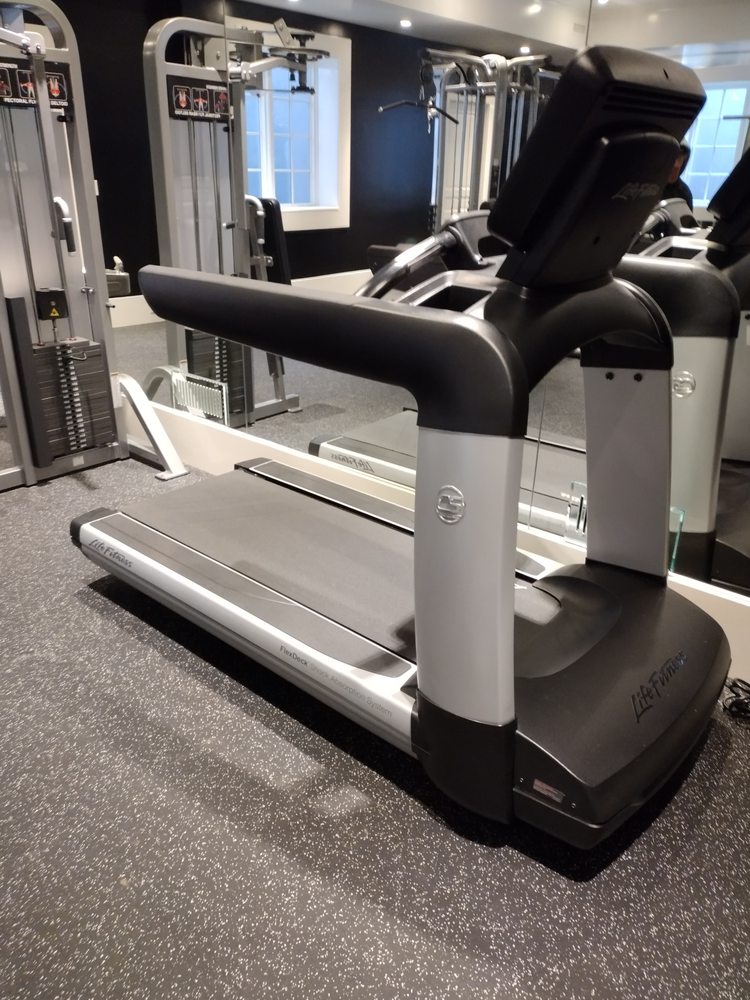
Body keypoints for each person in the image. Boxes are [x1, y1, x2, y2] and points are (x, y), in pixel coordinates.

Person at [662, 141, 693, 209]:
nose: (676, 165)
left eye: (679, 158)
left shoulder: (683, 193)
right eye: (672, 157)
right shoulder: (643, 188)